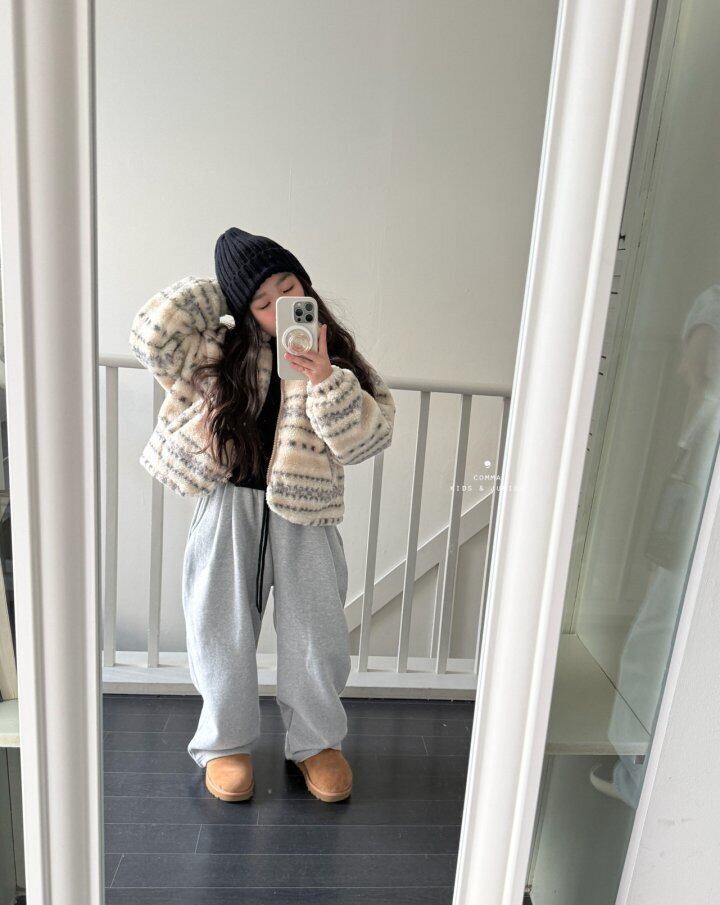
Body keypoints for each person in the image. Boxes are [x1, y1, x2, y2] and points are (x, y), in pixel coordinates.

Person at [129, 226, 396, 804]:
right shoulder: (214, 353)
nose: (280, 304)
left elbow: (366, 440)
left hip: (308, 511)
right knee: (218, 629)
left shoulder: (339, 357)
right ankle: (224, 744)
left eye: (288, 286)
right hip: (227, 505)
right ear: (242, 308)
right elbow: (151, 335)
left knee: (317, 634)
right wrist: (219, 292)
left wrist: (323, 376)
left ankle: (318, 743)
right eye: (261, 299)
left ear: (306, 284)